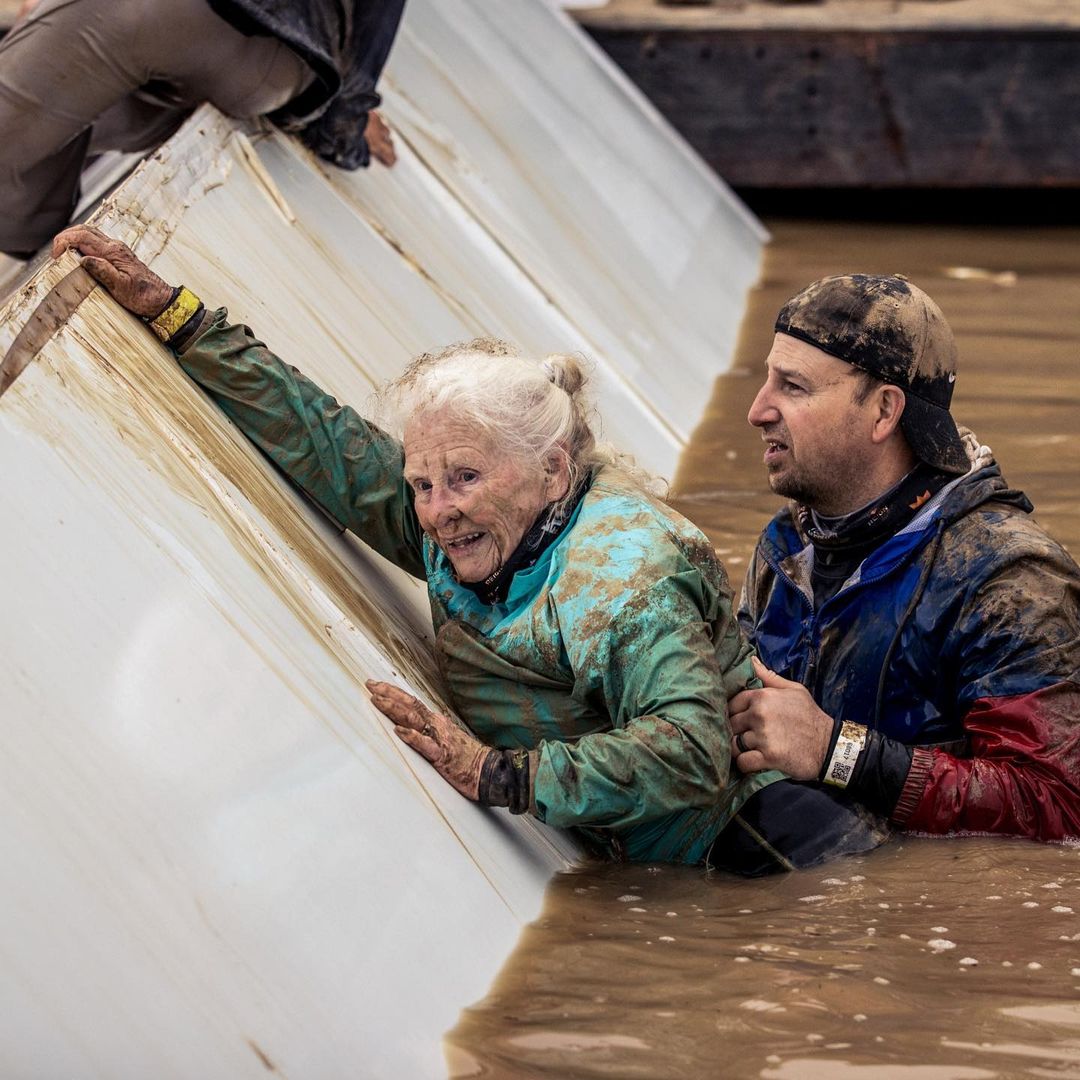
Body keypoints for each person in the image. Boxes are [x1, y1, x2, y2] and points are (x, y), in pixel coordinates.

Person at [53, 223, 834, 869]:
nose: (434, 512)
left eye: (462, 478)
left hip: (761, 852)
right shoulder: (468, 526)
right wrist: (179, 319)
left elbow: (691, 748)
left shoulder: (619, 579)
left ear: (552, 470)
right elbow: (327, 445)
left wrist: (494, 772)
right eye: (423, 483)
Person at [726, 273, 1080, 854]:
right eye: (768, 380)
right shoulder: (790, 545)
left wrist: (835, 750)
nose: (757, 410)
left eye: (792, 386)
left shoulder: (1010, 582)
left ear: (885, 410)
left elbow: (1059, 807)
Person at [0, 0, 404, 258]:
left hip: (159, 13)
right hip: (273, 74)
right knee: (118, 96)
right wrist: (347, 125)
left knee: (54, 86)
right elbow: (343, 112)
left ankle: (25, 222)